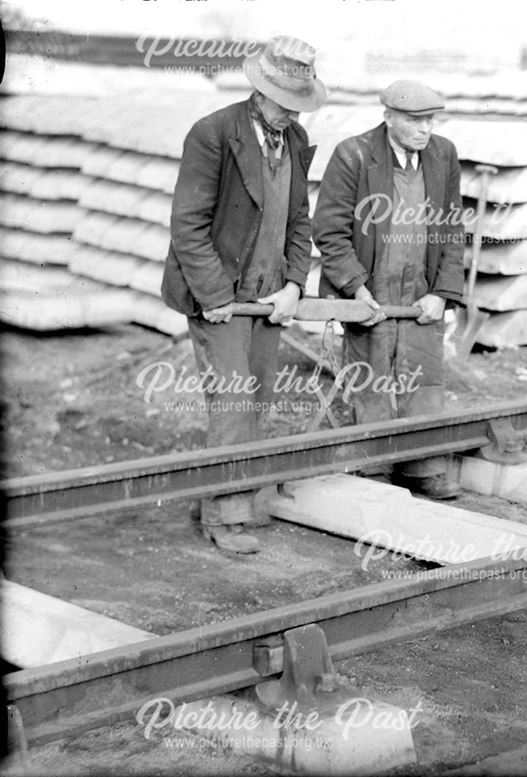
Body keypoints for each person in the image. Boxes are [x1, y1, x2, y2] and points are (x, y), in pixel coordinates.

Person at [161, 36, 325, 553]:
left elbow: (299, 220)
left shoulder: (294, 140)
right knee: (232, 402)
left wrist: (294, 286)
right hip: (220, 295)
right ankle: (225, 517)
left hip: (268, 296)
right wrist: (212, 294)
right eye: (285, 103)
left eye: (300, 105)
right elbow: (188, 225)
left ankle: (221, 495)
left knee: (257, 400)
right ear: (260, 91)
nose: (292, 114)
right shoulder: (213, 133)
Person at [313, 80, 465, 500]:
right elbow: (330, 230)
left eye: (431, 120)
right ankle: (375, 466)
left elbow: (452, 229)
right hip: (373, 288)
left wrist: (442, 292)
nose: (425, 129)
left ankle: (424, 464)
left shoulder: (443, 155)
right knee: (372, 372)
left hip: (420, 287)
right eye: (416, 120)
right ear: (389, 117)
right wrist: (356, 288)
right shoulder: (355, 155)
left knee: (423, 373)